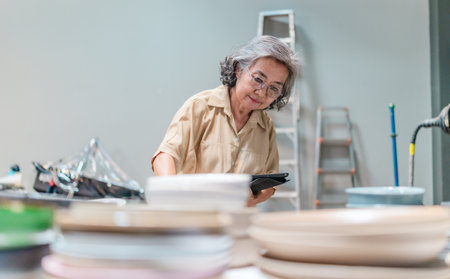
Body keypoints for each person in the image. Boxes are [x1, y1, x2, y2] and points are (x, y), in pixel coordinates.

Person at [151, 35, 299, 206]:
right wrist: (172, 197)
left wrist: (253, 197)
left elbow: (270, 182)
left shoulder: (265, 127)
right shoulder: (200, 107)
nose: (262, 93)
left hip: (236, 222)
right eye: (258, 79)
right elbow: (165, 156)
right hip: (193, 220)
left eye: (273, 88)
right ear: (239, 69)